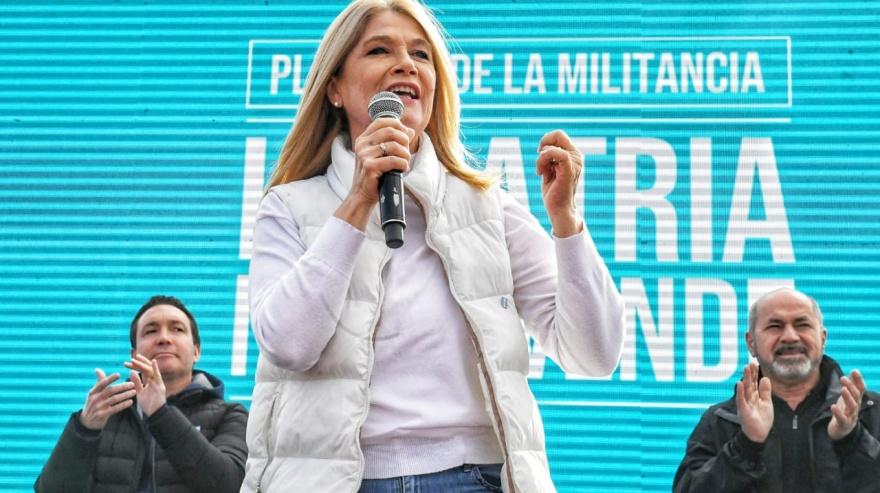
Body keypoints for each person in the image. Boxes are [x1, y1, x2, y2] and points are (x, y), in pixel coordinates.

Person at [242, 0, 626, 491]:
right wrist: (358, 202)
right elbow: (288, 345)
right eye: (379, 50)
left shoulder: (488, 208)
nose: (406, 64)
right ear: (334, 88)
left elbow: (595, 353)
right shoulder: (289, 207)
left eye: (421, 54)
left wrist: (567, 223)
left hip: (474, 478)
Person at [673, 287, 880, 492]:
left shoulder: (870, 411)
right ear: (751, 343)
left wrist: (852, 439)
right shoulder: (723, 420)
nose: (790, 337)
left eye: (802, 325)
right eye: (775, 326)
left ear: (823, 338)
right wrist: (746, 446)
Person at [35, 295, 248, 493]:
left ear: (196, 351)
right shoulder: (105, 415)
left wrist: (161, 414)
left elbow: (232, 486)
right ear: (134, 354)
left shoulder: (230, 415)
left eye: (177, 329)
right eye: (150, 331)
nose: (164, 338)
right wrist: (84, 430)